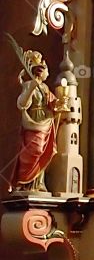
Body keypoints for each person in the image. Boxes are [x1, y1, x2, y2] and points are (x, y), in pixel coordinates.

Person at [12, 50, 64, 192]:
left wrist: (60, 103)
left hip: (45, 122)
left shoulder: (45, 87)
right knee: (34, 150)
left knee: (44, 151)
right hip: (33, 122)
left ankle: (38, 183)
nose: (48, 73)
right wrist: (32, 88)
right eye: (46, 70)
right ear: (40, 72)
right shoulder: (30, 85)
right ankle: (25, 182)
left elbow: (52, 102)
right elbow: (22, 104)